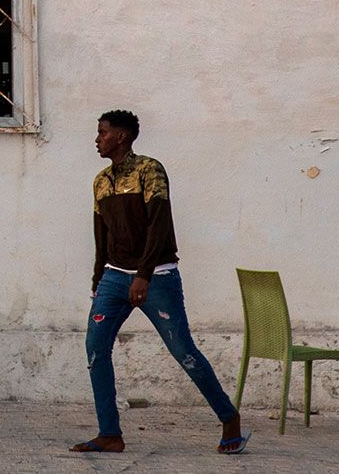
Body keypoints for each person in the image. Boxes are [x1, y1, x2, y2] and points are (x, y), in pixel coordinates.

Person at [75, 111, 244, 456]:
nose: (97, 139)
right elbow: (100, 234)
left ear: (121, 137)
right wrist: (98, 280)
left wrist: (144, 275)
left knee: (183, 351)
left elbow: (160, 224)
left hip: (157, 277)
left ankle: (229, 418)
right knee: (95, 350)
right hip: (112, 276)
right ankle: (110, 433)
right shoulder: (101, 181)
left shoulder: (149, 170)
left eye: (103, 133)